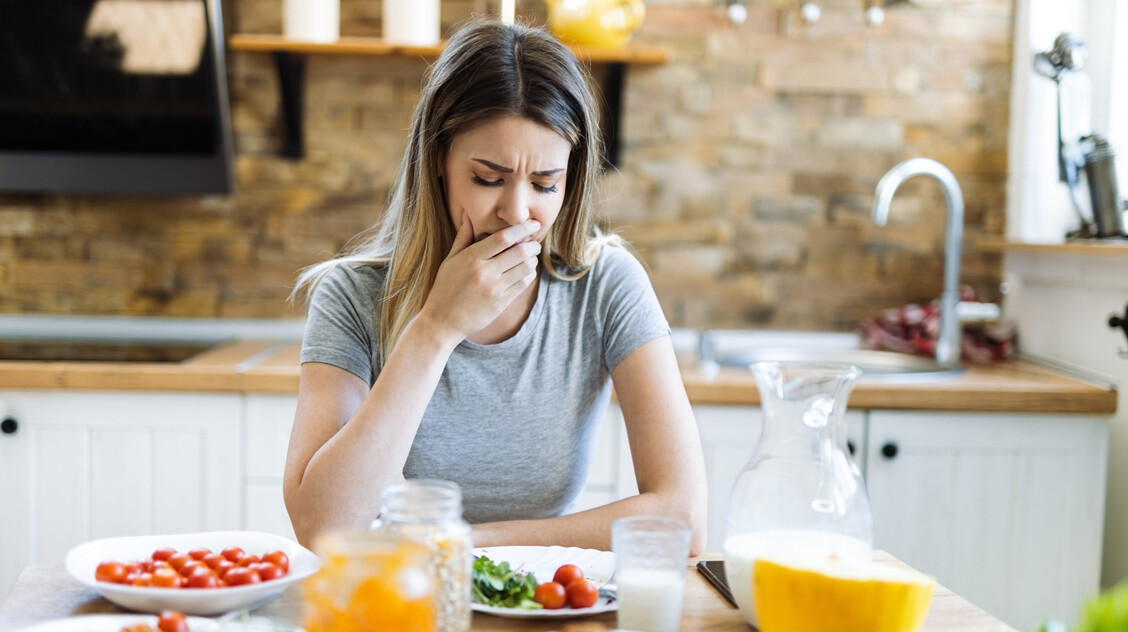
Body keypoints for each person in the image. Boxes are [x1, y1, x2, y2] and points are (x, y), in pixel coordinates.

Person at [284, 18, 707, 554]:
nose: (517, 212)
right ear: (439, 161)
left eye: (545, 184)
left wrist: (462, 544)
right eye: (488, 179)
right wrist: (436, 327)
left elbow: (685, 518)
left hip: (543, 603)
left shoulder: (606, 286)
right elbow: (322, 528)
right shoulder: (350, 296)